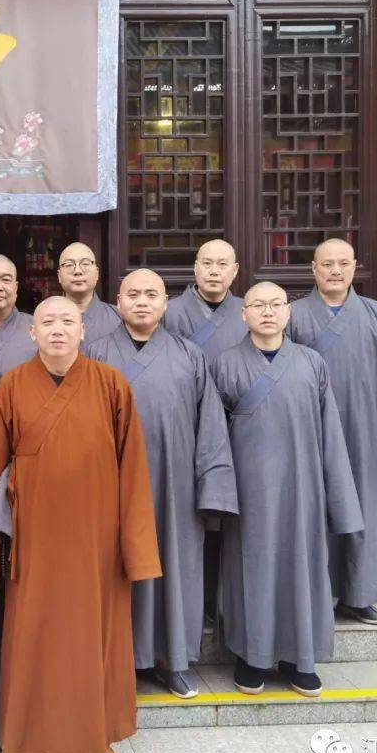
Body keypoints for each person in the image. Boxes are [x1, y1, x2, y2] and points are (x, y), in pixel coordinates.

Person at [0, 296, 161, 753]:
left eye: (68, 321)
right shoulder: (11, 386)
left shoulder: (112, 385)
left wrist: (134, 547)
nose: (58, 330)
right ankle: (35, 750)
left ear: (83, 330)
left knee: (97, 643)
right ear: (33, 332)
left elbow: (132, 471)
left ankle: (99, 747)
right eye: (48, 322)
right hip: (35, 542)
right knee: (37, 645)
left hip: (96, 543)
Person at [88, 269, 237, 701]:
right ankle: (116, 662)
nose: (141, 301)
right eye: (132, 293)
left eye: (151, 294)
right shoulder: (95, 353)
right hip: (110, 488)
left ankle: (173, 661)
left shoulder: (190, 356)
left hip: (174, 490)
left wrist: (210, 491)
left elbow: (211, 428)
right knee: (114, 572)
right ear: (117, 301)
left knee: (175, 569)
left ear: (165, 303)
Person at [211, 282, 364, 698]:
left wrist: (339, 500)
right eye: (257, 305)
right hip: (248, 488)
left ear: (288, 312)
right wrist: (218, 494)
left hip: (303, 486)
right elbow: (212, 436)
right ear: (243, 314)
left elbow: (330, 433)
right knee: (250, 568)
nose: (267, 312)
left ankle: (302, 658)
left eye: (276, 304)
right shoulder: (223, 365)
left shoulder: (312, 363)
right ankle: (252, 657)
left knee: (303, 566)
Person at [287, 238, 377, 626]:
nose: (335, 271)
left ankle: (359, 595)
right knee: (315, 511)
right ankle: (316, 592)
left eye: (343, 263)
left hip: (362, 434)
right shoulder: (294, 316)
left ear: (354, 267)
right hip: (312, 433)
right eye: (326, 264)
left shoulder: (376, 315)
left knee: (363, 510)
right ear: (313, 269)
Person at [161, 238, 247, 624]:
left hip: (236, 431)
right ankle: (190, 605)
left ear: (235, 271)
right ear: (195, 268)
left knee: (228, 514)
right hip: (181, 428)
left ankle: (224, 604)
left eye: (222, 264)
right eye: (207, 263)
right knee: (186, 518)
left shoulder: (249, 312)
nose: (214, 271)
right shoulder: (171, 312)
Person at [56, 242, 122, 345]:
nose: (78, 271)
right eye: (69, 265)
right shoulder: (44, 319)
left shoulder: (120, 317)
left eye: (85, 264)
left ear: (97, 273)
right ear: (59, 275)